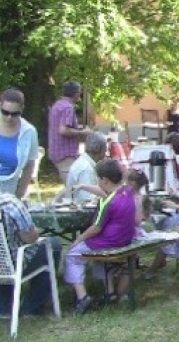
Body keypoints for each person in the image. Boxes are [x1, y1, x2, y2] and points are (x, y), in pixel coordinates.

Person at [64, 159, 136, 313]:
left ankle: (82, 297)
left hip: (108, 242)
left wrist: (78, 239)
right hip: (125, 239)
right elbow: (104, 191)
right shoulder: (126, 191)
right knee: (96, 258)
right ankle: (108, 293)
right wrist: (83, 186)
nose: (97, 181)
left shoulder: (107, 203)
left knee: (72, 255)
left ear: (105, 180)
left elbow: (96, 228)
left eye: (98, 178)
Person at [0, 192, 61, 317]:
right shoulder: (9, 204)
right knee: (53, 245)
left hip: (3, 264)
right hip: (12, 265)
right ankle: (32, 307)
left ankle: (5, 306)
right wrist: (36, 231)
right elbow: (31, 239)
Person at [47, 81, 91, 182]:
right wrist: (83, 132)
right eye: (80, 93)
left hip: (56, 152)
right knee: (73, 187)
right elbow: (63, 130)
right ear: (76, 94)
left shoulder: (57, 105)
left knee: (70, 187)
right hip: (65, 154)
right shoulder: (68, 108)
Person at [0, 89, 38, 197]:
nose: (9, 117)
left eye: (15, 114)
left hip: (9, 192)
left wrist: (19, 196)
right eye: (5, 112)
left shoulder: (29, 132)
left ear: (22, 109)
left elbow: (30, 165)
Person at [55, 133, 107, 204]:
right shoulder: (86, 169)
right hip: (79, 211)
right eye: (105, 149)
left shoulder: (83, 161)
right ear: (101, 151)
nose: (106, 153)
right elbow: (87, 201)